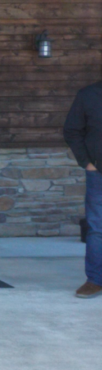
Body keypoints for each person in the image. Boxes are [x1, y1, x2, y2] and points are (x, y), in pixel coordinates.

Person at [63, 79, 102, 298]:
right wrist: (87, 162)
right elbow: (72, 130)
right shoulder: (88, 95)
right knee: (97, 228)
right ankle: (95, 280)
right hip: (99, 173)